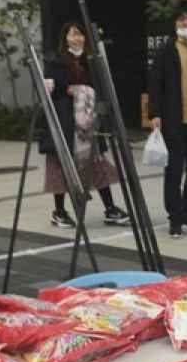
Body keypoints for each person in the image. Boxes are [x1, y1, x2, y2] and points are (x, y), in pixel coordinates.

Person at [41, 22, 130, 229]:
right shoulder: (55, 60)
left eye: (80, 34)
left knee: (95, 163)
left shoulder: (91, 59)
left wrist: (84, 91)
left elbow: (100, 85)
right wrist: (71, 88)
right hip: (64, 121)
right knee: (60, 166)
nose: (77, 38)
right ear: (65, 38)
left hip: (88, 121)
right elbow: (54, 88)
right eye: (73, 34)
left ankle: (110, 208)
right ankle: (59, 211)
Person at [148, 1, 187, 239]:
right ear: (175, 23)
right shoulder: (166, 50)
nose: (185, 23)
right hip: (174, 121)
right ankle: (175, 218)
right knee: (174, 171)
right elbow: (155, 84)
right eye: (181, 19)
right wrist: (155, 113)